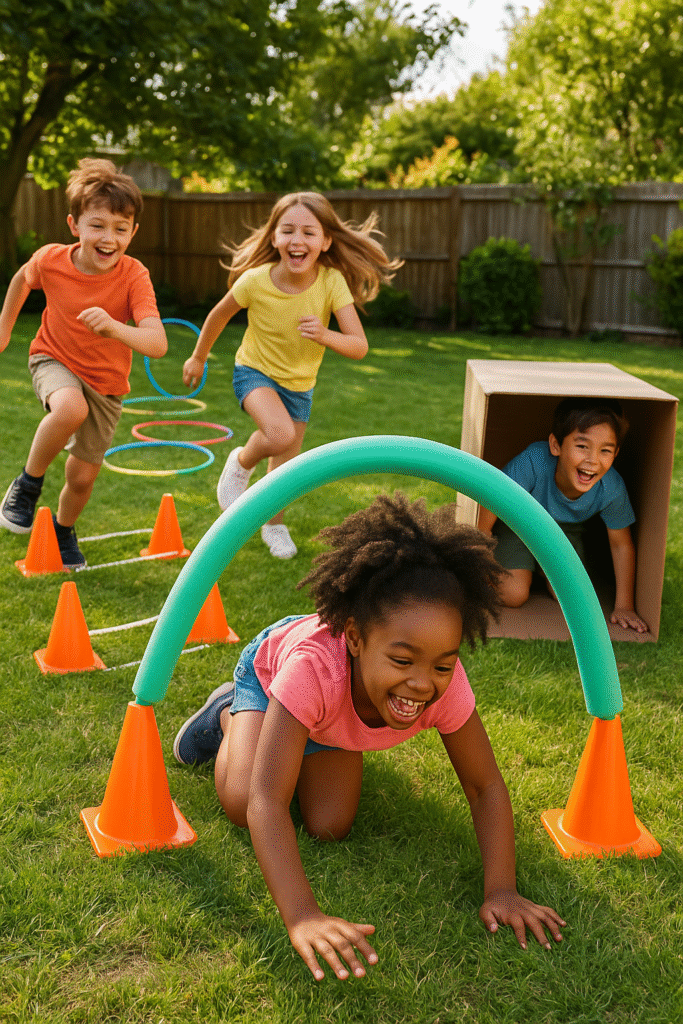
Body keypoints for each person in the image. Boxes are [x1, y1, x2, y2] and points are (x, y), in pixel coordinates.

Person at [173, 493, 566, 981]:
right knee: (239, 800)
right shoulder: (310, 669)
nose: (424, 683)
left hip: (330, 715)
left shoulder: (443, 681)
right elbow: (267, 803)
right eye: (403, 661)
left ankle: (308, 736)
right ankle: (229, 713)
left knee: (330, 824)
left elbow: (484, 786)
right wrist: (303, 916)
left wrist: (501, 888)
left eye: (442, 663)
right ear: (356, 639)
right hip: (273, 677)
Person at [182, 192, 401, 560]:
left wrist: (325, 334)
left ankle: (274, 523)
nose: (297, 240)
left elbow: (358, 345)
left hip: (300, 386)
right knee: (278, 434)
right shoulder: (254, 280)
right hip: (254, 371)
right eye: (288, 231)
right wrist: (198, 357)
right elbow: (218, 316)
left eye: (309, 233)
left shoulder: (331, 282)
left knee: (285, 465)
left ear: (325, 241)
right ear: (274, 238)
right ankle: (241, 462)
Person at [0, 158, 166, 567]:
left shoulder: (133, 276)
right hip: (52, 357)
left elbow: (157, 343)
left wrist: (114, 328)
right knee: (69, 408)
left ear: (133, 232)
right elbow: (23, 278)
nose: (109, 237)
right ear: (75, 225)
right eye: (98, 225)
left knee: (82, 477)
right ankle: (27, 483)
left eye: (120, 228)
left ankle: (62, 530)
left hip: (107, 383)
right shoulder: (51, 260)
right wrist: (3, 328)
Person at [477, 397, 648, 633]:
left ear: (616, 452)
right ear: (556, 445)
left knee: (570, 597)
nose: (593, 460)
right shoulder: (535, 460)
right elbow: (492, 498)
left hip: (565, 532)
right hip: (520, 525)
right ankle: (526, 567)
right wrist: (477, 555)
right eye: (582, 446)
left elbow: (621, 546)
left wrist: (625, 606)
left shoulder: (611, 487)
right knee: (515, 594)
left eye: (605, 450)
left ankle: (541, 568)